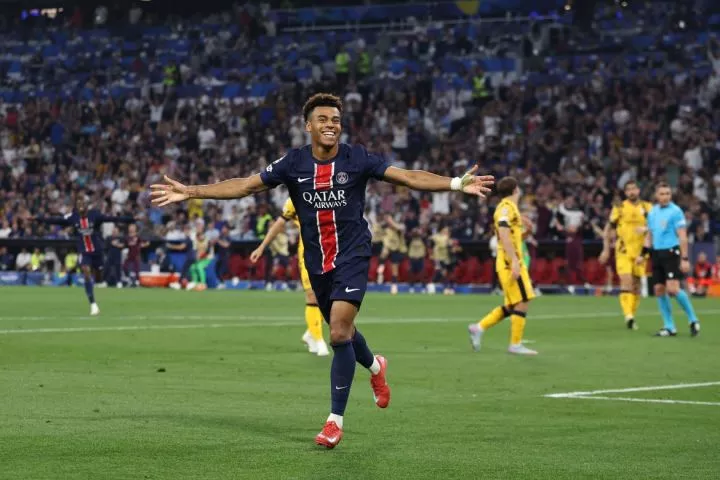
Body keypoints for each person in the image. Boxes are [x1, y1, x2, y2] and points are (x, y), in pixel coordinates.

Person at [151, 93, 494, 449]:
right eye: (323, 120)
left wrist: (456, 183)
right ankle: (376, 367)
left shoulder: (356, 158)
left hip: (353, 254)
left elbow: (406, 177)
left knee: (339, 333)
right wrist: (191, 191)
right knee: (344, 331)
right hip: (317, 262)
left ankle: (334, 421)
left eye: (335, 120)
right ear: (308, 126)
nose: (331, 125)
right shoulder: (293, 163)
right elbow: (246, 185)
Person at [250, 198, 330, 357]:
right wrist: (262, 246)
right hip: (309, 252)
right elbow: (279, 223)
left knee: (330, 298)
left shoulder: (332, 193)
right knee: (312, 295)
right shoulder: (297, 196)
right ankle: (319, 340)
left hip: (331, 250)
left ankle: (311, 332)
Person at [468, 177, 538, 355]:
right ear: (515, 190)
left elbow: (512, 237)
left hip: (510, 260)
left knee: (513, 305)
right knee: (523, 301)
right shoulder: (506, 208)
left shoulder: (510, 208)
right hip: (509, 262)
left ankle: (478, 328)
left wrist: (528, 232)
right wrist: (514, 261)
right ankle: (515, 344)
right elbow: (504, 234)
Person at [36, 196, 134, 315]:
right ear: (77, 207)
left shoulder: (94, 215)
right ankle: (93, 304)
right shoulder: (73, 217)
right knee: (86, 271)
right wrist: (38, 218)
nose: (81, 206)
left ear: (87, 206)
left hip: (97, 251)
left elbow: (112, 218)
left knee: (98, 276)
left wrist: (131, 219)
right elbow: (56, 220)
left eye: (82, 203)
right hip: (84, 251)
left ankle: (100, 279)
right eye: (78, 204)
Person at [641, 183, 700, 337]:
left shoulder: (676, 211)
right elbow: (649, 235)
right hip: (656, 254)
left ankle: (693, 319)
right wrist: (642, 254)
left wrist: (684, 258)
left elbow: (682, 236)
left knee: (673, 289)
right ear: (656, 195)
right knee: (659, 289)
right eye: (662, 194)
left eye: (668, 193)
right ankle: (669, 326)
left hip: (671, 253)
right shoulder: (652, 212)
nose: (665, 196)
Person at [599, 180, 652, 330]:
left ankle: (632, 316)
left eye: (634, 189)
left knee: (636, 285)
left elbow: (657, 227)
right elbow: (608, 228)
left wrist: (646, 229)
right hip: (623, 251)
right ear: (625, 192)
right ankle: (628, 315)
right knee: (626, 280)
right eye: (628, 190)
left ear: (638, 190)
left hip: (641, 252)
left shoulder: (647, 207)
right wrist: (605, 249)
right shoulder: (620, 207)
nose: (631, 192)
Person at [376, 214, 406, 295]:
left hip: (396, 250)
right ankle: (380, 272)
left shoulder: (399, 227)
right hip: (387, 249)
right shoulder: (385, 229)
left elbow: (400, 228)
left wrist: (390, 220)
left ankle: (394, 286)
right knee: (383, 255)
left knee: (394, 269)